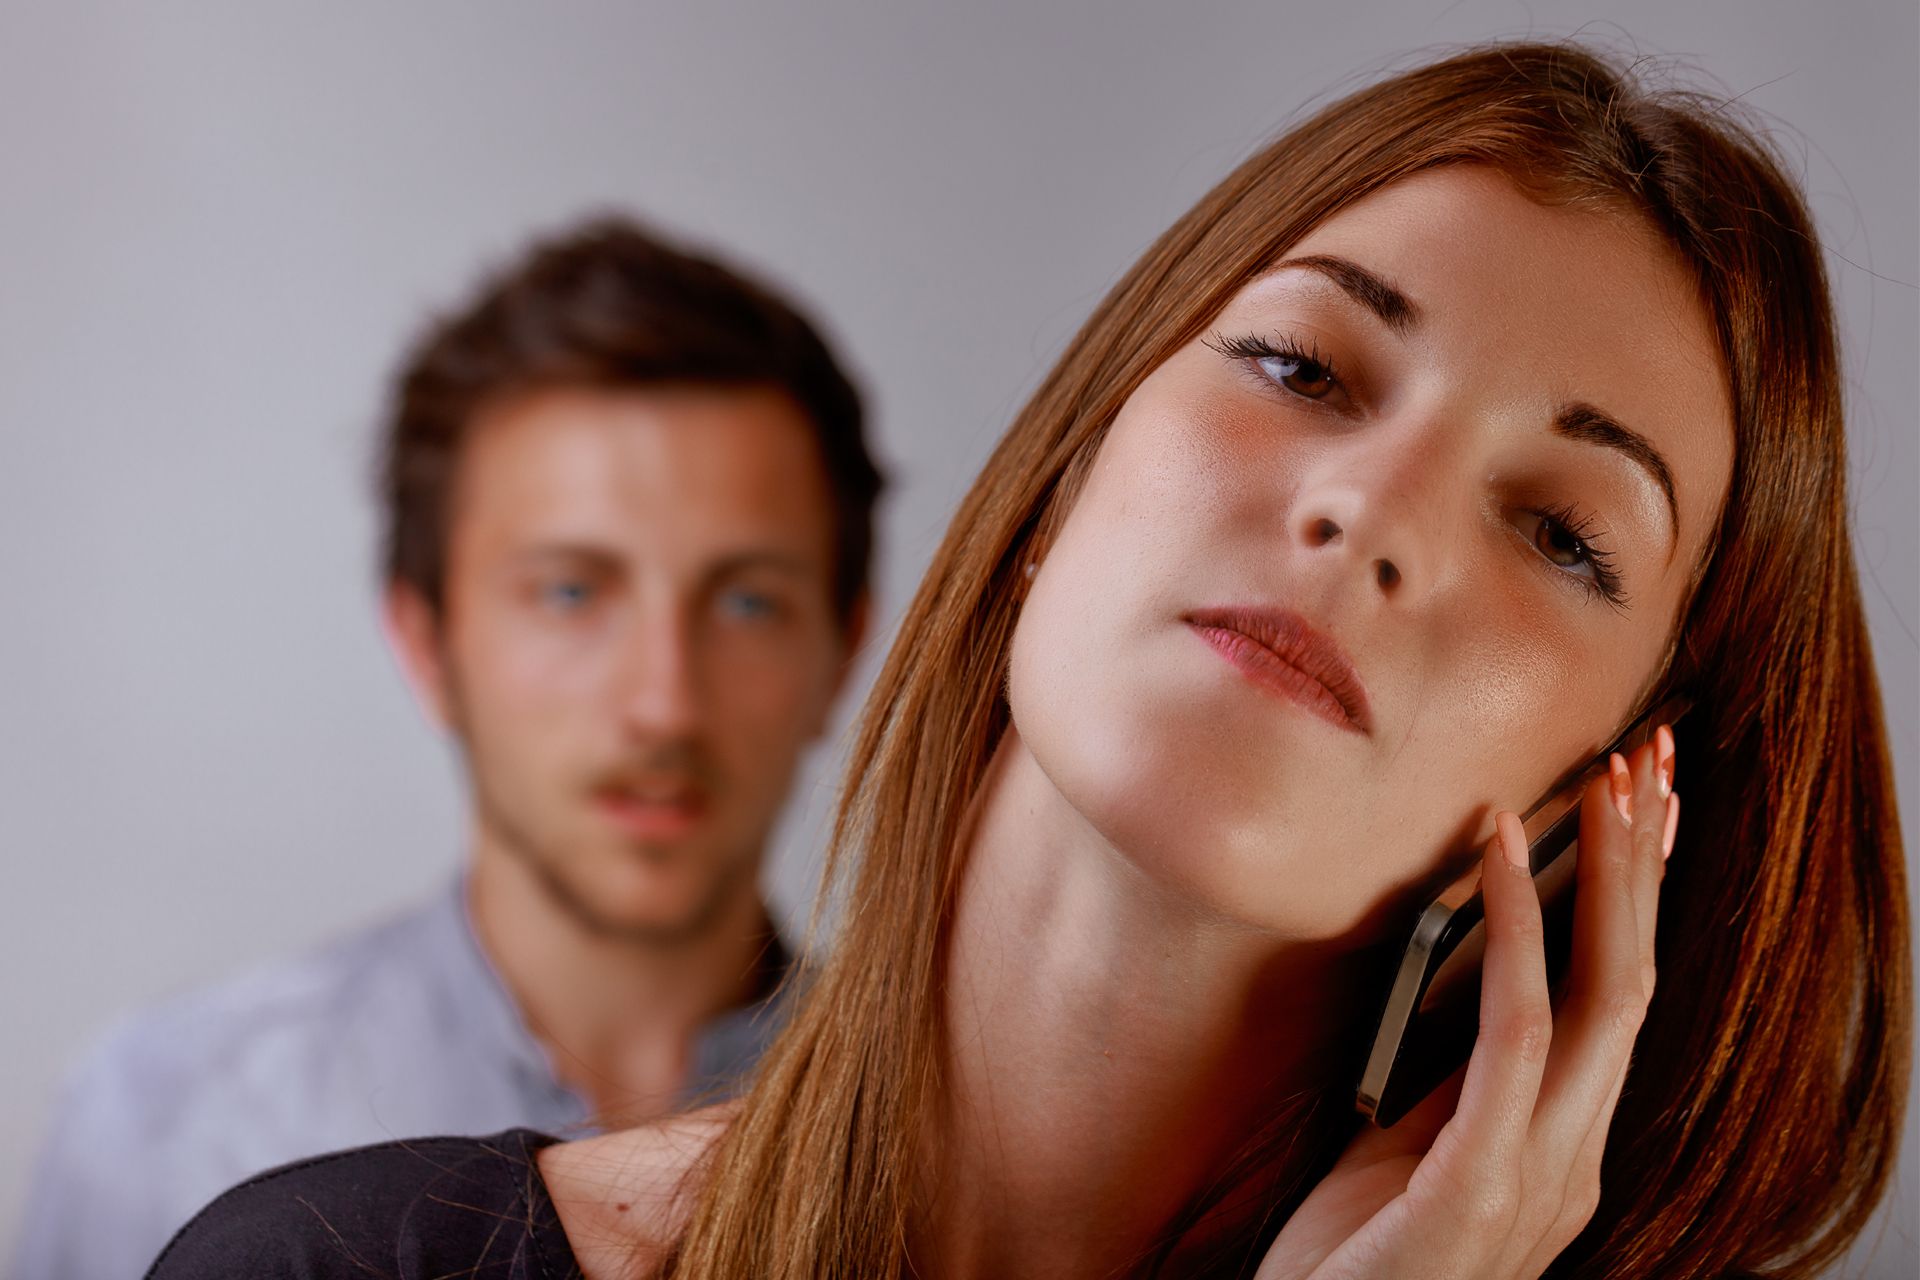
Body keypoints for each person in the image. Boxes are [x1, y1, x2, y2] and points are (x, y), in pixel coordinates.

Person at [148, 39, 1909, 1280]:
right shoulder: (336, 1263)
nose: (1370, 515)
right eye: (1304, 369)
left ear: (1613, 790)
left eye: (1564, 533)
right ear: (1072, 471)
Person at [14, 217, 883, 1280]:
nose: (664, 701)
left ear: (844, 650)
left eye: (748, 599)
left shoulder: (952, 1138)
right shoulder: (168, 1122)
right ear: (427, 641)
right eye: (571, 591)